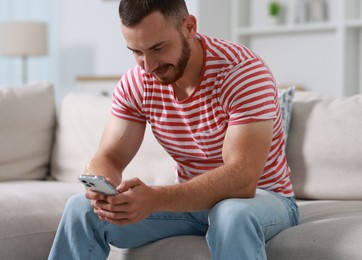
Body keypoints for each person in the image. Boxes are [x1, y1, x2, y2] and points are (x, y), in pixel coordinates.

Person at [48, 0, 299, 259]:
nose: (148, 66)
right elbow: (109, 156)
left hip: (261, 199)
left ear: (189, 27)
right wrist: (103, 188)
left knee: (231, 214)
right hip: (190, 205)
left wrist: (155, 198)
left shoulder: (242, 73)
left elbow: (242, 180)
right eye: (136, 51)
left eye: (158, 48)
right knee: (81, 209)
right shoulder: (138, 82)